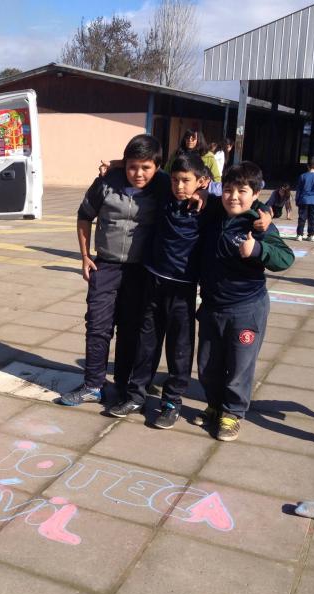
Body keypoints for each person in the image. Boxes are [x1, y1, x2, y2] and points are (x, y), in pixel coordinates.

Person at [56, 135, 169, 407]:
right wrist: (84, 256)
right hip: (105, 266)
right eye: (132, 167)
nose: (138, 174)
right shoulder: (106, 183)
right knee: (97, 326)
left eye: (145, 168)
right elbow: (84, 217)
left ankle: (122, 384)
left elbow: (196, 183)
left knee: (131, 329)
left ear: (156, 166)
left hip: (141, 271)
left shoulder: (163, 184)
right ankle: (93, 385)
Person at [194, 162, 295, 441]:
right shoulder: (214, 213)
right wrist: (203, 194)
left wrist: (258, 248)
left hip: (246, 308)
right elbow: (196, 189)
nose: (234, 196)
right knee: (208, 364)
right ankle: (214, 405)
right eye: (228, 190)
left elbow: (285, 258)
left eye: (242, 191)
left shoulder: (258, 222)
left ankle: (232, 413)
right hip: (213, 307)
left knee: (239, 365)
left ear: (255, 194)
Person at [106, 154, 207, 427]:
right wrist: (118, 163)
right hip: (153, 284)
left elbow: (236, 196)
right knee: (146, 344)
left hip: (183, 291)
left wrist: (207, 193)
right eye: (176, 180)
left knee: (179, 349)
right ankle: (136, 395)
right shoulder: (165, 192)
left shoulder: (207, 208)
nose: (179, 186)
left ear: (201, 181)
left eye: (186, 181)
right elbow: (148, 166)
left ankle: (171, 401)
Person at [294, 157, 314, 241]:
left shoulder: (303, 176)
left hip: (304, 200)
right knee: (313, 219)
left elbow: (299, 190)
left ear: (308, 166)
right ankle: (311, 235)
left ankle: (299, 234)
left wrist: (297, 200)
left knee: (302, 218)